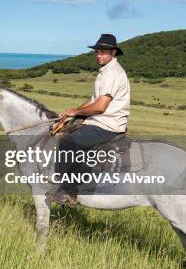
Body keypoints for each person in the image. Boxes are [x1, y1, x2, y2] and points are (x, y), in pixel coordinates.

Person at [46, 33, 130, 205]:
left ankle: (69, 191)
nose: (99, 55)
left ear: (113, 52)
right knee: (62, 130)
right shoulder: (105, 71)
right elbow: (93, 100)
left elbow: (100, 107)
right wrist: (73, 113)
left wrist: (77, 112)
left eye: (103, 52)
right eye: (97, 52)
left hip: (107, 124)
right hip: (97, 120)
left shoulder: (113, 72)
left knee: (68, 143)